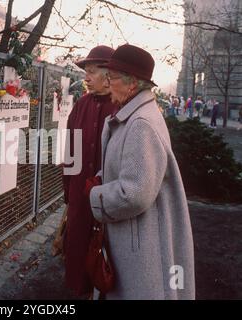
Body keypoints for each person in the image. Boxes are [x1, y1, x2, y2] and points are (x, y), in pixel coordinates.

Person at [89, 44, 195, 299]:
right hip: (138, 238)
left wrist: (95, 194)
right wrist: (103, 180)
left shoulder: (141, 124)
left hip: (141, 248)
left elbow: (134, 193)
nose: (108, 82)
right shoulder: (136, 116)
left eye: (112, 78)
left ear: (132, 84)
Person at [60, 45, 118, 298]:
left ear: (109, 75)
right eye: (86, 71)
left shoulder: (121, 109)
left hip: (111, 202)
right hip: (80, 201)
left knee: (110, 264)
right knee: (79, 257)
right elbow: (70, 154)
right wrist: (68, 196)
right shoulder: (81, 106)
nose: (86, 77)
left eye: (92, 72)